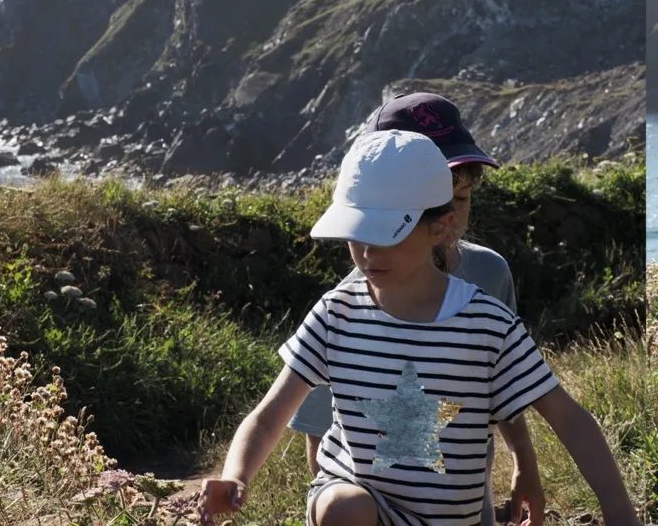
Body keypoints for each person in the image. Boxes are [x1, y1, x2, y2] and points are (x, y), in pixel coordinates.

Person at [198, 130, 640, 526]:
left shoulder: (486, 324)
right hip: (355, 500)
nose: (369, 252)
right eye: (357, 234)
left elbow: (569, 419)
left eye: (388, 233)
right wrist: (235, 476)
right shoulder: (337, 313)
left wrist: (621, 514)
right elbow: (271, 413)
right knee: (343, 508)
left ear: (440, 226)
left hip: (452, 518)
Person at [288, 92, 540, 526]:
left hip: (459, 506)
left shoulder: (489, 273)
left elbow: (504, 388)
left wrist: (524, 461)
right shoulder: (353, 302)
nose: (450, 213)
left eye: (459, 198)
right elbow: (321, 432)